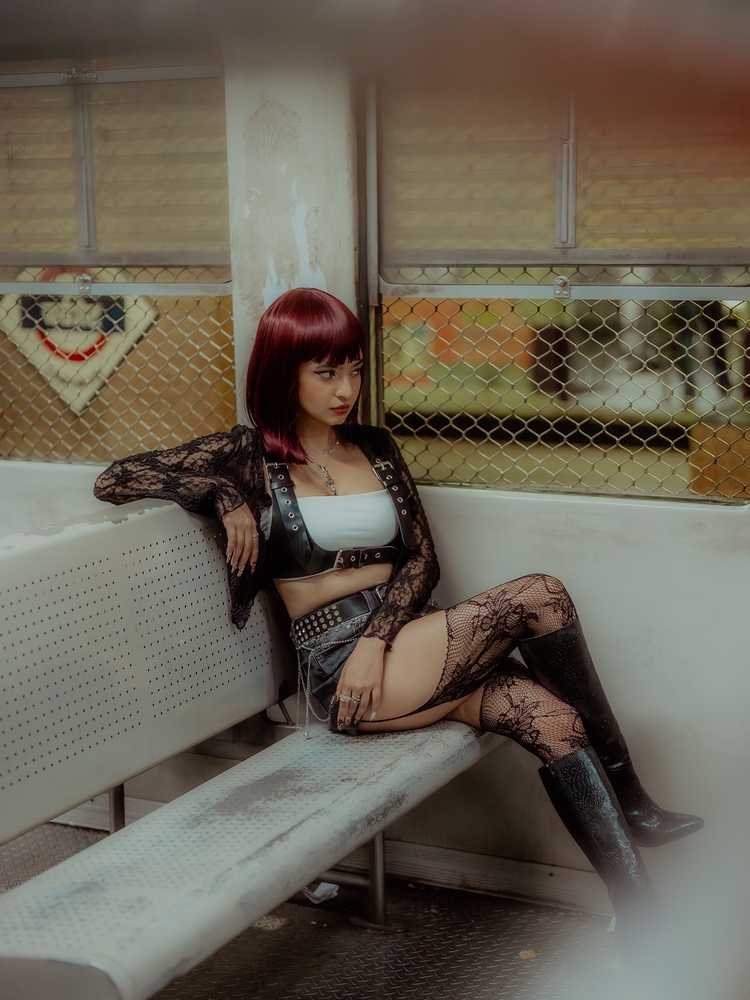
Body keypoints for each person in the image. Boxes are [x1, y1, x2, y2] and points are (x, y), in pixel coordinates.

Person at [93, 287, 703, 951]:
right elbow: (115, 478)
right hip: (340, 666)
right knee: (541, 595)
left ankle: (644, 921)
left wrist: (377, 642)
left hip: (399, 649)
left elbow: (421, 561)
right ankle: (631, 797)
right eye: (326, 372)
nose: (345, 389)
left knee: (554, 722)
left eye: (354, 370)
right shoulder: (247, 455)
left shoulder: (374, 447)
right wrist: (220, 492)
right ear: (283, 372)